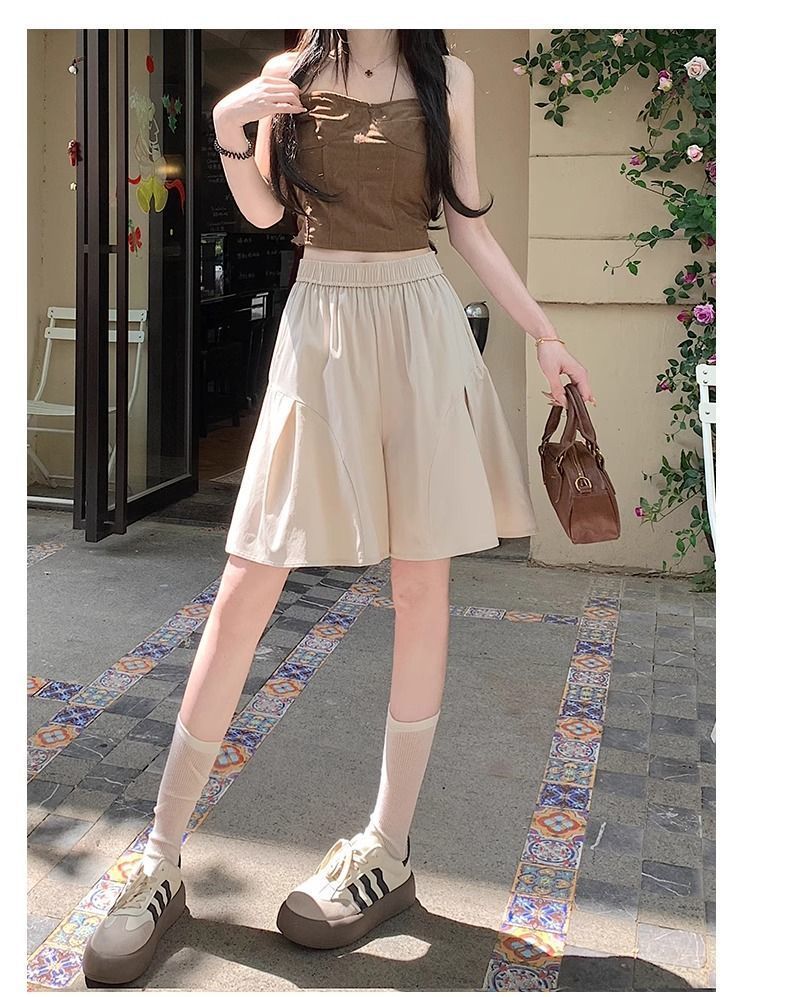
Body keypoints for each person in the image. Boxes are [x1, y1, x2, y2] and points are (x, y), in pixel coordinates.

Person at [82, 28, 595, 984]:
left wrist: (546, 336)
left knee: (421, 589)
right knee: (246, 583)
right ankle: (159, 856)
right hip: (319, 331)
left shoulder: (447, 78)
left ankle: (387, 848)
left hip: (418, 328)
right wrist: (230, 126)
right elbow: (269, 213)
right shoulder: (289, 77)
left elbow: (469, 228)